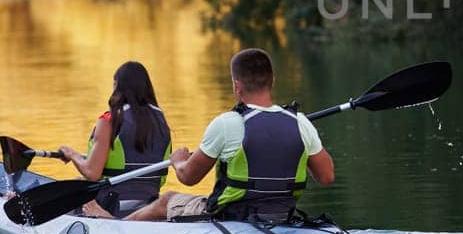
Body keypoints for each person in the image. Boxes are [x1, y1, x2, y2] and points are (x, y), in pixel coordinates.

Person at [126, 47, 335, 224]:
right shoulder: (300, 123)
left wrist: (178, 161)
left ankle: (119, 229)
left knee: (167, 199)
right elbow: (326, 177)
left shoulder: (227, 124)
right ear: (273, 80)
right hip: (283, 214)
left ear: (237, 85)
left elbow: (189, 177)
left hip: (231, 216)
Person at [57, 61, 172, 218]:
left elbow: (92, 173)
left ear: (117, 85)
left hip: (112, 204)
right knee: (78, 182)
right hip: (148, 204)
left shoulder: (109, 120)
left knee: (77, 183)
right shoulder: (160, 120)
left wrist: (71, 154)